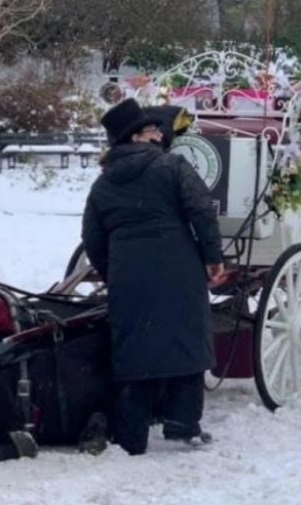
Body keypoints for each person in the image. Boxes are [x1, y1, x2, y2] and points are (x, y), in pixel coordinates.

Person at [81, 98, 225, 455]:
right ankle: (182, 425)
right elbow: (201, 210)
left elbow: (92, 239)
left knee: (134, 350)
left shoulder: (102, 186)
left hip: (128, 275)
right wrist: (212, 257)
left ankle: (131, 435)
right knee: (186, 342)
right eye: (151, 129)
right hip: (179, 269)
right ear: (138, 137)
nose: (158, 134)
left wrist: (113, 271)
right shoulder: (172, 167)